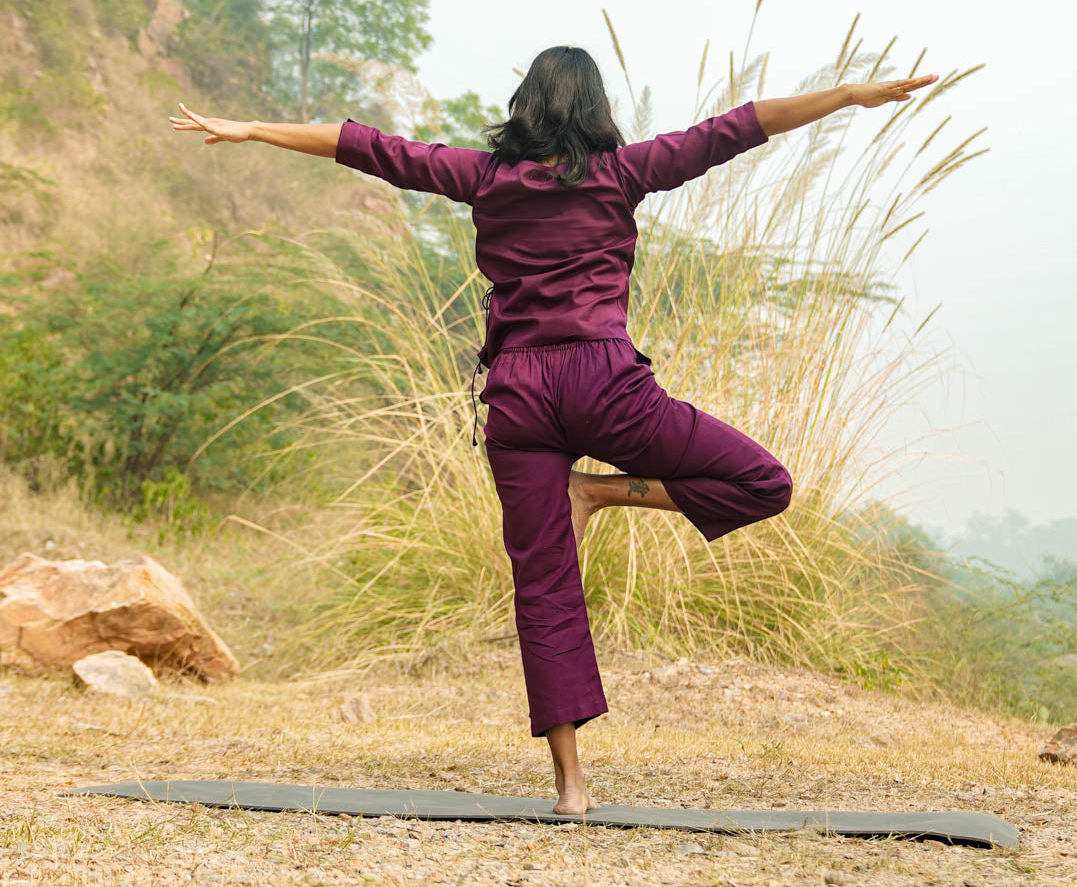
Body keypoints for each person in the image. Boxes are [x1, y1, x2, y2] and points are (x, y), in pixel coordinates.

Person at [169, 47, 938, 815]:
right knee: (765, 483)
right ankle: (600, 494)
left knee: (543, 587)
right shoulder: (625, 170)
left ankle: (572, 787)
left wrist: (250, 130)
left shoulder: (482, 176)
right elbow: (740, 127)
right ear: (595, 107)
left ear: (526, 105)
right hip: (608, 387)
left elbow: (362, 146)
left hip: (519, 399)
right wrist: (844, 93)